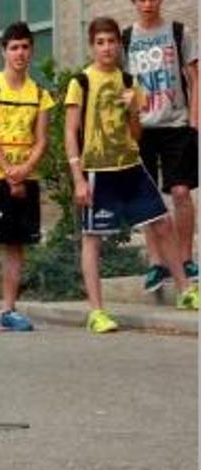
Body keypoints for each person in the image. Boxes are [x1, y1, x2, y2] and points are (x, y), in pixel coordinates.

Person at [64, 17, 198, 334]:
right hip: (98, 169)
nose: (107, 48)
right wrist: (78, 178)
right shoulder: (80, 82)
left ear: (118, 45)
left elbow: (136, 135)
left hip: (130, 166)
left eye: (111, 42)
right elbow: (70, 132)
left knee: (163, 223)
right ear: (92, 46)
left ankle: (186, 291)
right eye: (100, 42)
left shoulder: (129, 81)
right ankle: (96, 311)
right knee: (93, 238)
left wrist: (132, 109)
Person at [0, 22, 54, 334]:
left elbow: (42, 139)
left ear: (32, 50)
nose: (20, 53)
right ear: (4, 51)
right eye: (14, 47)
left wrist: (24, 170)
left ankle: (9, 309)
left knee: (17, 244)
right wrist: (8, 171)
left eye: (25, 46)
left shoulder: (40, 94)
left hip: (26, 178)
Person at [123, 0, 199, 292]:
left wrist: (194, 121)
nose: (147, 3)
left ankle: (185, 258)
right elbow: (121, 86)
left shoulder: (179, 32)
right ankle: (157, 263)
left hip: (176, 125)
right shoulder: (127, 38)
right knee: (149, 198)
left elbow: (195, 78)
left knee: (180, 192)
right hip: (141, 128)